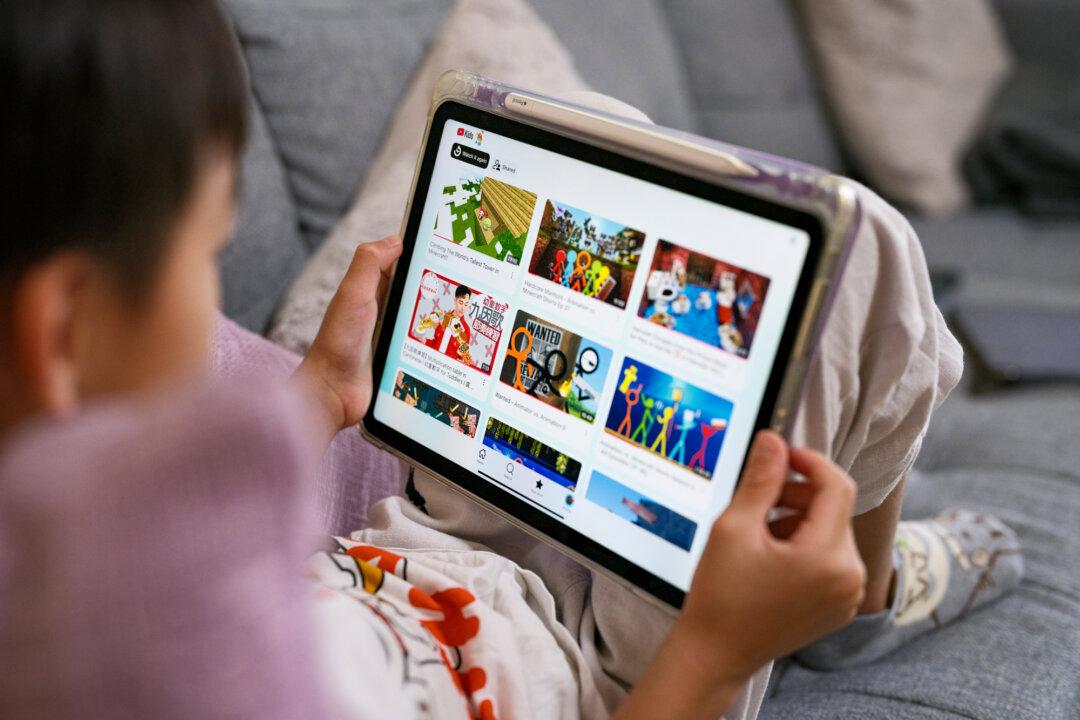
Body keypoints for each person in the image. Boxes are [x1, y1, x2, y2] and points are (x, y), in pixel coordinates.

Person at [0, 2, 1020, 719]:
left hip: (408, 548)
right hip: (596, 677)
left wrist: (316, 399)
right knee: (864, 251)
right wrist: (719, 649)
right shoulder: (166, 676)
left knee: (597, 153)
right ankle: (861, 595)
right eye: (207, 252)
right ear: (64, 332)